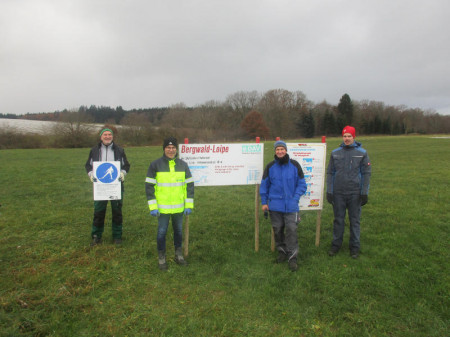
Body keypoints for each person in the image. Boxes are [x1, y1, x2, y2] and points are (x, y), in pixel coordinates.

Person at [145, 137, 194, 271]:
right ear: (164, 149)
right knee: (162, 232)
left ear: (176, 149)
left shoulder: (183, 164)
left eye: (173, 148)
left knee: (178, 231)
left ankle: (178, 255)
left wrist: (188, 205)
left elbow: (189, 185)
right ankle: (162, 257)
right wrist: (153, 206)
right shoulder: (155, 165)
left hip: (179, 207)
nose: (171, 150)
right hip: (162, 208)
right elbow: (149, 186)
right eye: (168, 148)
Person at [260, 140, 307, 271]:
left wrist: (295, 197)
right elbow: (264, 186)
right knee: (278, 229)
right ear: (275, 151)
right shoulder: (270, 167)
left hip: (291, 206)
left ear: (286, 150)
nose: (280, 151)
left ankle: (292, 257)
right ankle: (282, 251)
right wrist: (264, 202)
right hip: (275, 206)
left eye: (282, 149)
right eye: (277, 149)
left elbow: (302, 184)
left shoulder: (295, 165)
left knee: (291, 230)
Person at [326, 126, 371, 259]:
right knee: (338, 220)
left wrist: (364, 192)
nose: (347, 138)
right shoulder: (335, 153)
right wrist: (330, 191)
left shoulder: (362, 153)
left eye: (349, 136)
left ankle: (354, 247)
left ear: (354, 137)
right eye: (345, 136)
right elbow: (330, 172)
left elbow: (366, 173)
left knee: (354, 221)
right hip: (339, 192)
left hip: (355, 193)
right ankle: (336, 245)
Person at [85, 128, 130, 246]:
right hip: (100, 187)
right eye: (105, 134)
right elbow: (88, 166)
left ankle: (117, 236)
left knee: (117, 211)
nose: (107, 136)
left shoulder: (120, 150)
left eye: (110, 134)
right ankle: (96, 236)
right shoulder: (94, 150)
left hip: (115, 185)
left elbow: (126, 165)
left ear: (112, 137)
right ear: (101, 137)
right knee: (99, 212)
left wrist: (122, 173)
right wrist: (91, 175)